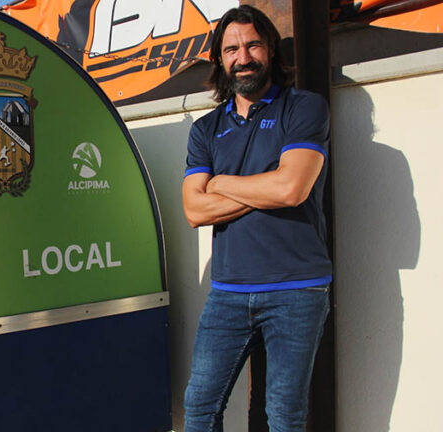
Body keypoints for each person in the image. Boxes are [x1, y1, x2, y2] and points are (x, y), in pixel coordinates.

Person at [181, 6, 331, 432]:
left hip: (297, 289)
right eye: (231, 49)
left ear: (270, 51)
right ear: (220, 60)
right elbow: (194, 211)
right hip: (227, 293)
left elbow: (292, 189)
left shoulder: (304, 108)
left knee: (285, 415)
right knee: (200, 405)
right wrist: (267, 184)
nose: (242, 57)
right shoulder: (206, 129)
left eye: (252, 45)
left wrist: (221, 182)